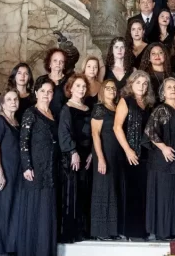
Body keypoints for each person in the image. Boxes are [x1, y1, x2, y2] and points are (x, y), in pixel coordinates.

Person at [17, 76, 60, 256]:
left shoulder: (53, 114)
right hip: (34, 166)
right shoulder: (30, 113)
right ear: (36, 93)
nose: (46, 95)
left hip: (50, 166)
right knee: (34, 205)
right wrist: (27, 166)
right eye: (43, 91)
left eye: (49, 92)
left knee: (46, 206)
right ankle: (31, 250)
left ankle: (44, 251)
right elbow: (23, 141)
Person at [143, 78, 175, 240]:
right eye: (169, 87)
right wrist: (163, 147)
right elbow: (150, 131)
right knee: (164, 196)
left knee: (173, 195)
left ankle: (173, 229)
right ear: (163, 92)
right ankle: (163, 231)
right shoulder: (161, 109)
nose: (173, 89)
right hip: (163, 161)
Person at [113, 70, 155, 239]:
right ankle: (129, 231)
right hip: (130, 153)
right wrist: (128, 150)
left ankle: (142, 230)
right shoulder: (126, 101)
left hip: (146, 154)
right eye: (138, 82)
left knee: (144, 192)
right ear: (131, 84)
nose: (142, 86)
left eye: (145, 83)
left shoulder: (149, 104)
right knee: (131, 192)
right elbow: (117, 127)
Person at [58, 74, 93, 243]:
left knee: (85, 192)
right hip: (73, 155)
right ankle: (71, 232)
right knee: (72, 192)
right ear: (70, 88)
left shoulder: (89, 109)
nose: (81, 89)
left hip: (87, 155)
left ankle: (84, 231)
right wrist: (73, 152)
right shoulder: (66, 109)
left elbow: (94, 133)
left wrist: (92, 153)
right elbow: (63, 132)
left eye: (84, 86)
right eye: (78, 86)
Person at [0, 90, 22, 256]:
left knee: (12, 207)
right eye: (9, 99)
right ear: (2, 103)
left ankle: (10, 245)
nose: (13, 102)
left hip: (16, 172)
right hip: (3, 170)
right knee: (2, 207)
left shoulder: (16, 122)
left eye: (15, 99)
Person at [90, 80, 125, 240]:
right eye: (108, 88)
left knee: (114, 189)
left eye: (114, 88)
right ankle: (101, 232)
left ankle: (113, 230)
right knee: (104, 190)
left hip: (117, 154)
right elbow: (95, 134)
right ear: (102, 91)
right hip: (104, 153)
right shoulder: (99, 108)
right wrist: (101, 158)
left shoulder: (118, 108)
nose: (111, 90)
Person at [45, 48, 69, 120]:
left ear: (64, 65)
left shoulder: (70, 81)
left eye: (61, 61)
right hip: (44, 119)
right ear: (50, 63)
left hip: (63, 120)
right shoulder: (41, 80)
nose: (58, 63)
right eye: (55, 60)